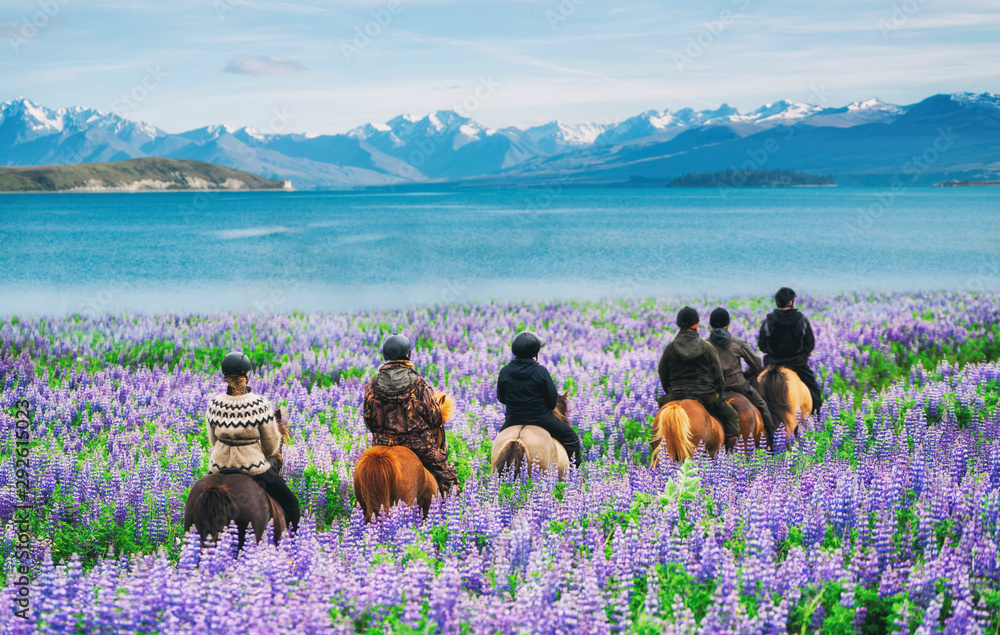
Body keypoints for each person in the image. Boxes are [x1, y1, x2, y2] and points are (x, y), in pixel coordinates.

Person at [206, 351, 301, 531]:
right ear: (246, 376)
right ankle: (292, 551)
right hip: (253, 468)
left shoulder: (214, 404)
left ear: (225, 376)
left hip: (217, 466)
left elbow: (213, 440)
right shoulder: (259, 404)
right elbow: (272, 444)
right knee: (291, 504)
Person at [362, 334, 459, 494]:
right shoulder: (419, 383)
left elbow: (368, 420)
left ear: (385, 356)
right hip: (419, 444)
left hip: (382, 443)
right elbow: (435, 418)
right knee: (448, 476)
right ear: (407, 355)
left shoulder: (372, 384)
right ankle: (450, 505)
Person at [657, 307, 741, 453]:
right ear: (696, 325)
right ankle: (730, 459)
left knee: (660, 418)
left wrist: (669, 392)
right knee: (732, 417)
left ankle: (658, 458)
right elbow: (718, 374)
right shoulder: (706, 347)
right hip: (704, 394)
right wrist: (719, 395)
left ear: (678, 326)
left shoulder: (670, 348)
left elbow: (662, 372)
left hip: (676, 393)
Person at [497, 330, 583, 467]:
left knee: (498, 442)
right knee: (571, 438)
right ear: (535, 353)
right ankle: (576, 476)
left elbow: (501, 398)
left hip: (513, 419)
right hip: (540, 418)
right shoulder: (540, 371)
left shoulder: (504, 371)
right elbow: (551, 399)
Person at [707, 307, 777, 449]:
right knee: (762, 407)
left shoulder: (704, 345)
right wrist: (745, 375)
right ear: (727, 325)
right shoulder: (737, 343)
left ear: (711, 326)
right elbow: (757, 364)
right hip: (738, 386)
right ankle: (772, 442)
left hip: (714, 390)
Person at [757, 287, 823, 412]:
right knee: (814, 393)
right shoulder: (801, 320)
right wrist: (802, 353)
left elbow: (762, 346)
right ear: (791, 302)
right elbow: (810, 344)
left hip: (772, 364)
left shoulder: (768, 321)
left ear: (778, 302)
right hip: (797, 364)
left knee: (752, 389)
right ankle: (817, 420)